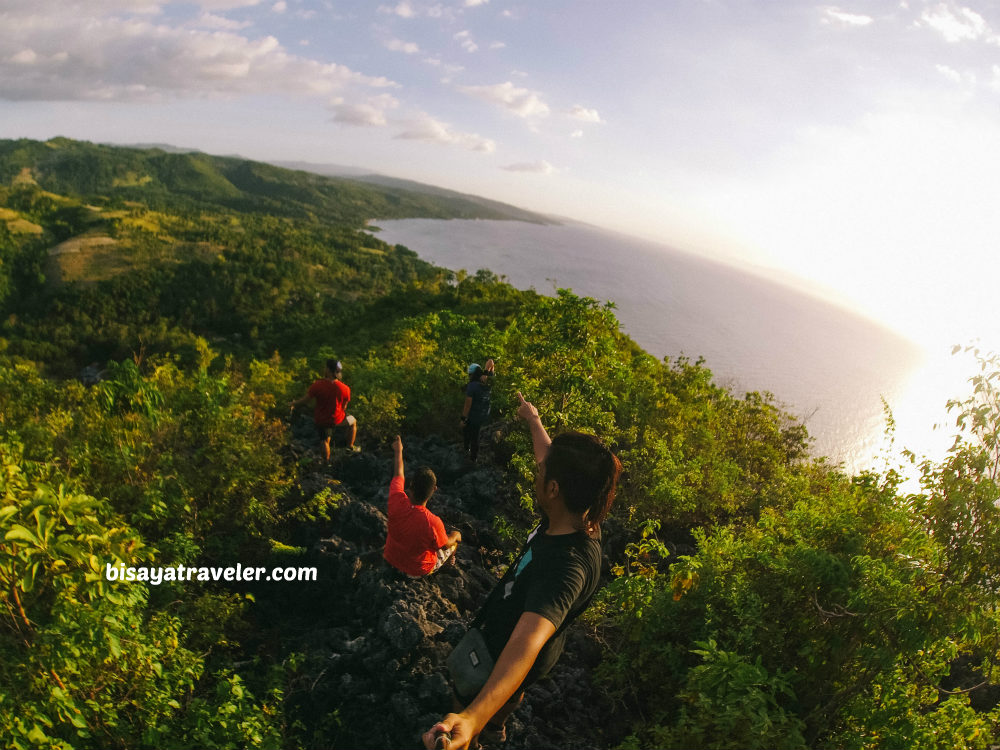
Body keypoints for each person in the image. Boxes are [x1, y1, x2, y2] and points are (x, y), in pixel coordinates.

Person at [423, 392, 622, 750]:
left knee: (465, 700)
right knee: (516, 689)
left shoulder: (566, 568)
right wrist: (533, 420)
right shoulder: (583, 519)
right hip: (538, 661)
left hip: (504, 648)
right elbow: (549, 456)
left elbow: (526, 643)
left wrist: (470, 718)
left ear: (554, 488)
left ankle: (473, 736)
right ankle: (497, 725)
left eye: (540, 472)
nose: (537, 469)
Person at [384, 435, 462, 577]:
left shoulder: (396, 500)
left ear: (411, 485)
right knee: (453, 543)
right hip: (415, 571)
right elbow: (445, 545)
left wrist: (398, 451)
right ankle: (447, 567)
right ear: (434, 490)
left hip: (390, 558)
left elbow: (398, 473)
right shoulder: (433, 522)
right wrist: (456, 536)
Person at [290, 358, 358, 461]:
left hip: (322, 421)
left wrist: (293, 404)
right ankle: (350, 447)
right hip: (338, 420)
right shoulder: (345, 388)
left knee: (325, 441)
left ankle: (326, 462)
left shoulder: (317, 385)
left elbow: (305, 401)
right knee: (353, 421)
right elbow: (344, 407)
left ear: (328, 370)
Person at [461, 358, 495, 463]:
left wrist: (463, 419)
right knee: (474, 433)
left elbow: (467, 405)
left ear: (472, 375)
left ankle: (471, 457)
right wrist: (487, 372)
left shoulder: (472, 386)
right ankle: (470, 454)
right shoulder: (488, 380)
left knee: (470, 433)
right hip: (485, 415)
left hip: (475, 415)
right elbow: (491, 362)